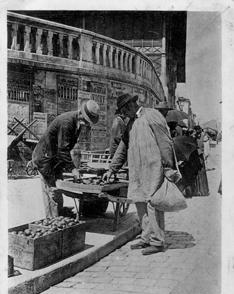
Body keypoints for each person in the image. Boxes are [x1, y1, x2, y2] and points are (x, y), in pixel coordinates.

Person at [103, 94, 180, 255]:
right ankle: (146, 238)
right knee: (139, 201)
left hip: (153, 168)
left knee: (153, 203)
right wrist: (112, 169)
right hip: (137, 170)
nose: (123, 114)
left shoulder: (152, 115)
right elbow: (123, 147)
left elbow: (165, 143)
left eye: (124, 111)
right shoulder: (131, 123)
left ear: (131, 105)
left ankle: (158, 241)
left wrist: (168, 167)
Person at [32, 100, 100, 217]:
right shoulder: (67, 122)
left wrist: (70, 167)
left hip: (55, 160)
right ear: (80, 115)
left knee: (58, 188)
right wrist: (73, 169)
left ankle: (58, 217)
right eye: (86, 122)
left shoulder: (76, 123)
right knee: (52, 191)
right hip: (45, 159)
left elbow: (66, 148)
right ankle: (53, 222)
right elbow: (63, 150)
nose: (86, 125)